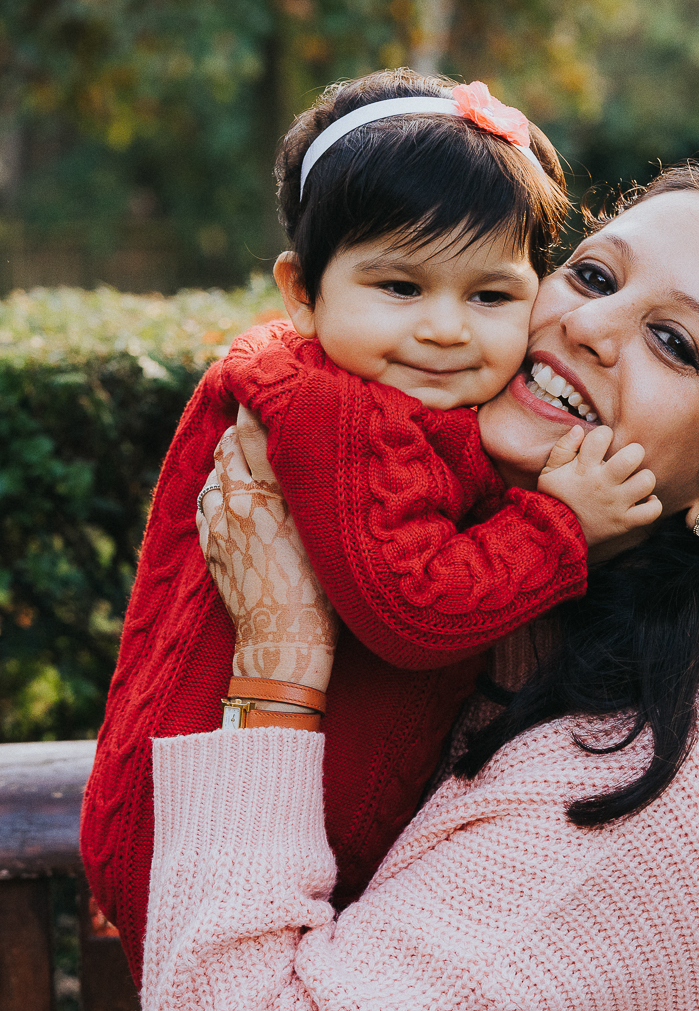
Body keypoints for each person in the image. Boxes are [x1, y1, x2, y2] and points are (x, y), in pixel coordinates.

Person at [141, 156, 699, 1009]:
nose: (592, 325)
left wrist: (279, 655)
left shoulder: (672, 760)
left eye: (673, 342)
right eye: (594, 275)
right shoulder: (507, 590)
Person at [81, 69, 662, 979]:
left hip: (283, 836)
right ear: (302, 292)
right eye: (399, 285)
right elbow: (413, 609)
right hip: (214, 837)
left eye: (490, 296)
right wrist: (563, 528)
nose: (444, 329)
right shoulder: (333, 413)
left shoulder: (395, 397)